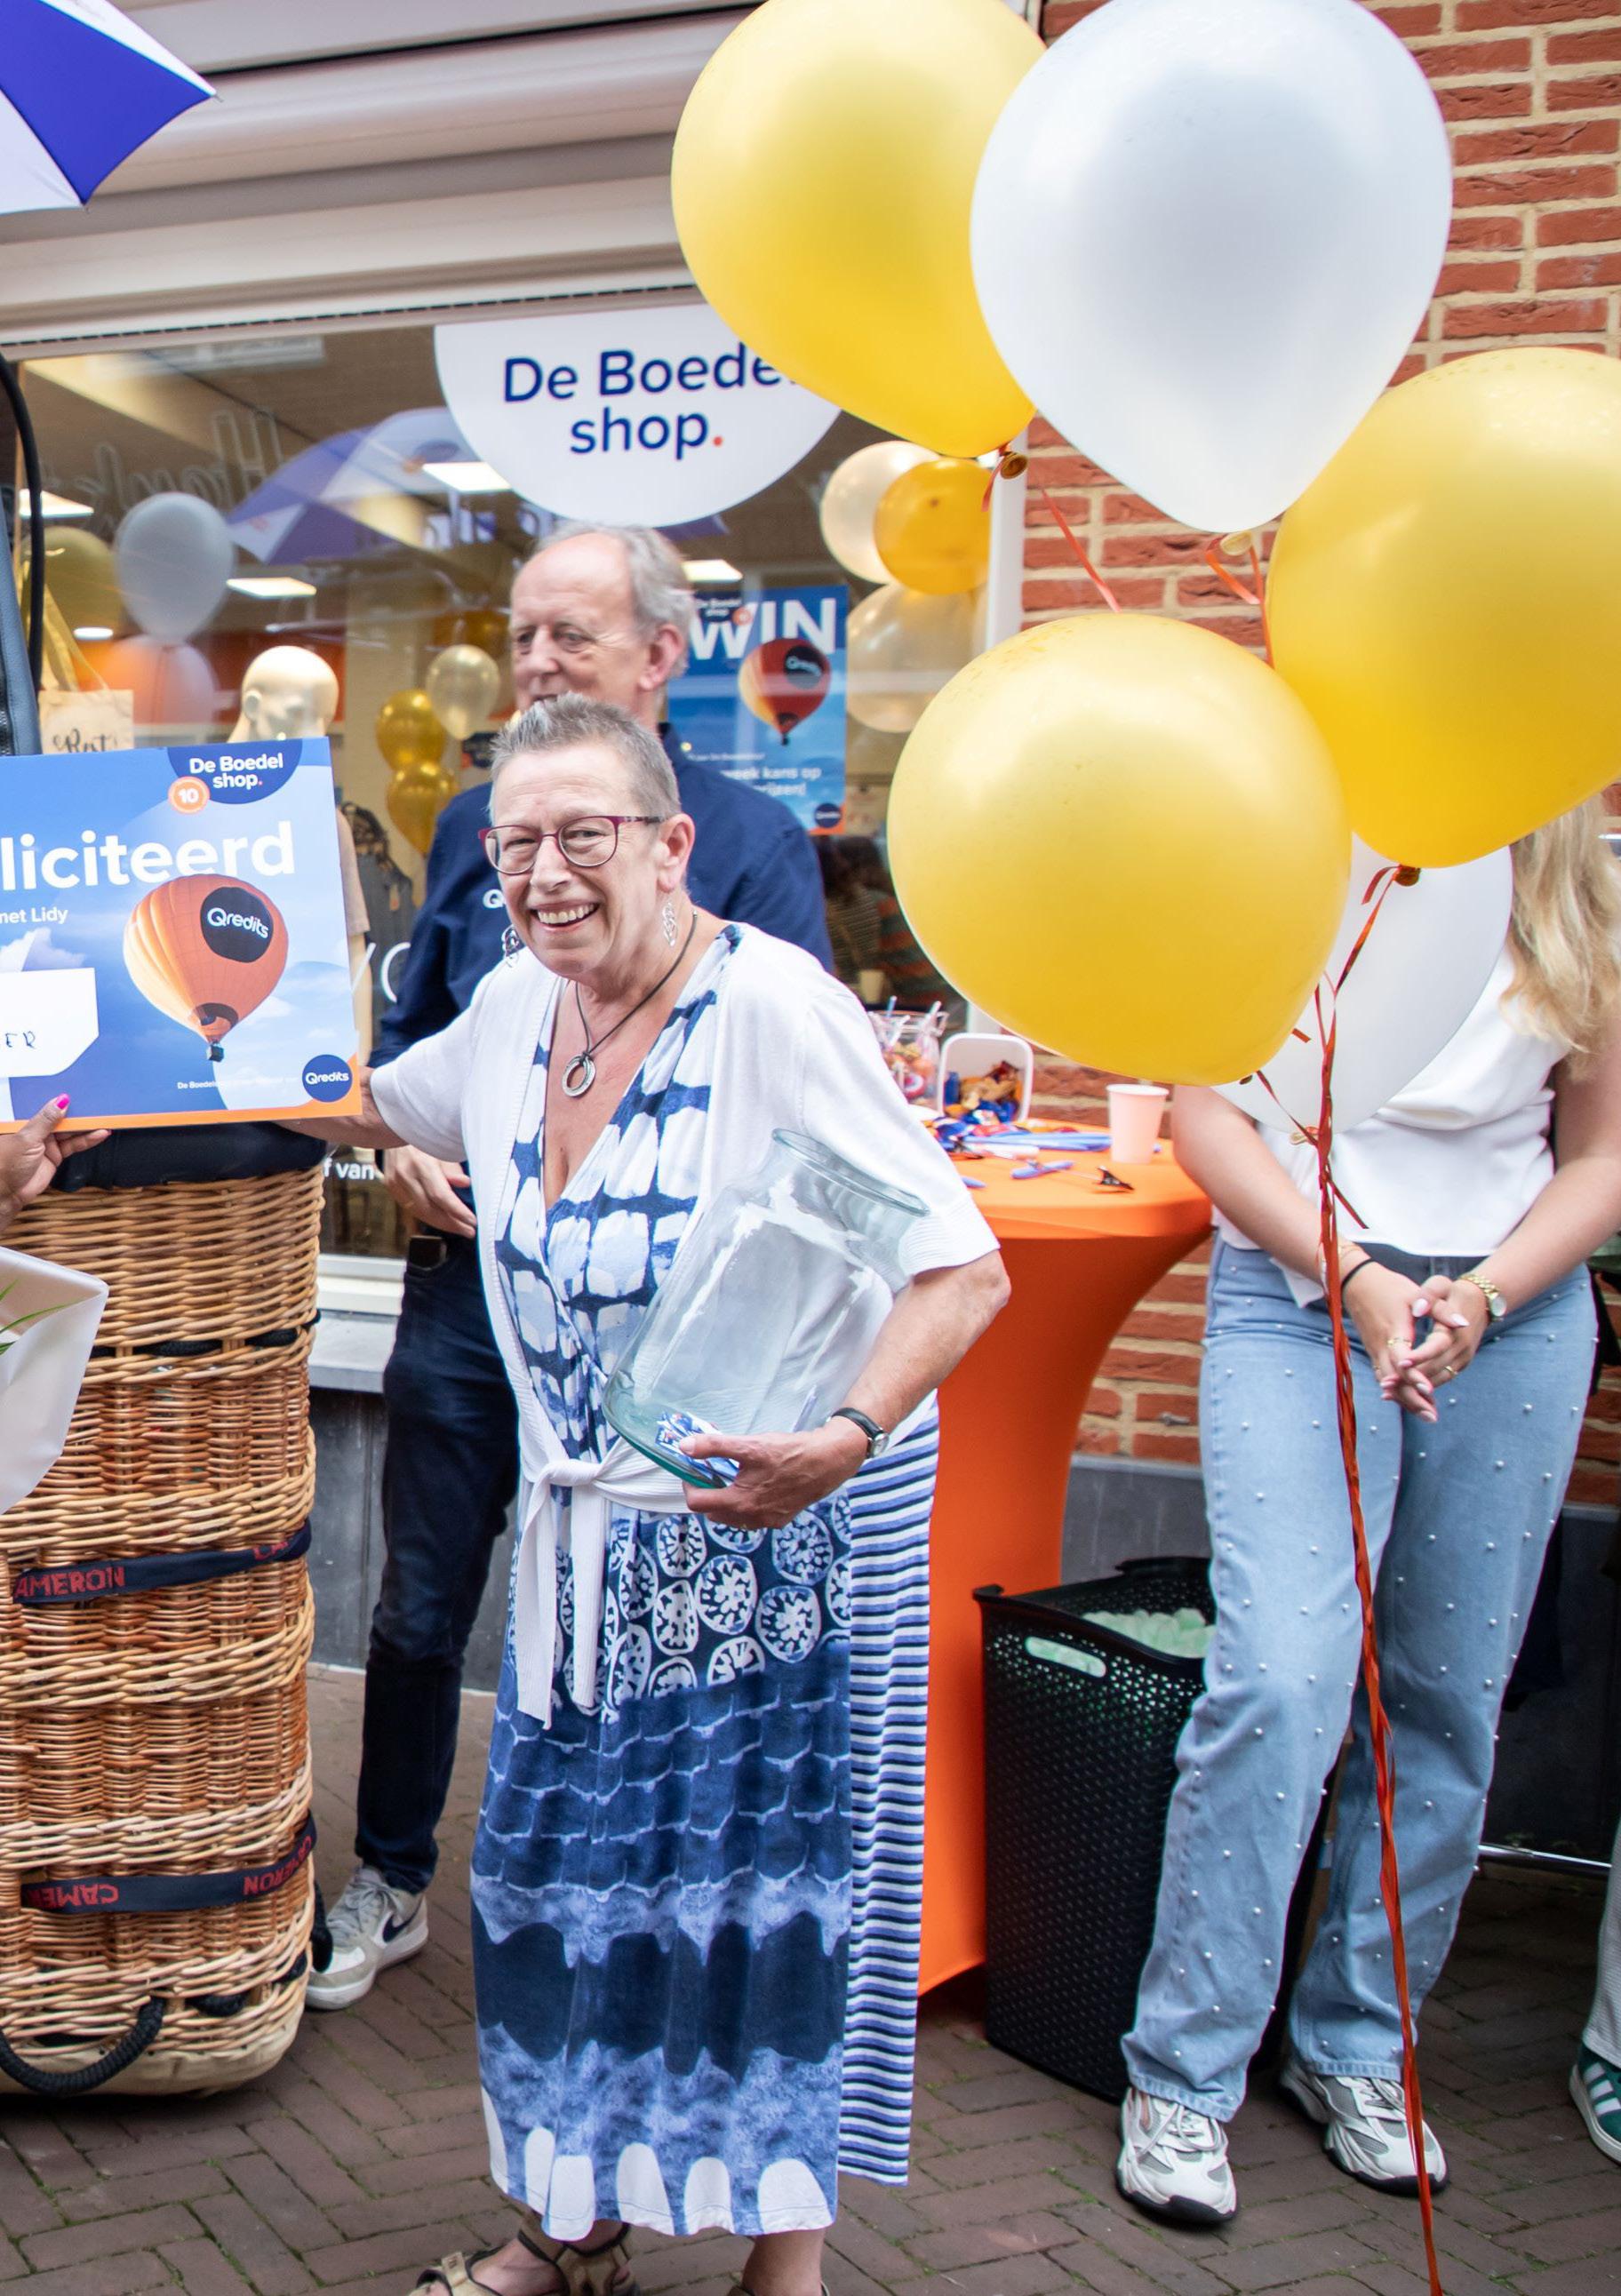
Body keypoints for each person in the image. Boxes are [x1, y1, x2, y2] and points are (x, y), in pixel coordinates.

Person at [291, 693, 1006, 2296]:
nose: (543, 873)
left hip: (747, 1566)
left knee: (750, 1920)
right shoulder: (513, 1012)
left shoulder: (775, 1012)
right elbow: (356, 1099)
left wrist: (845, 1436)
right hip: (580, 1570)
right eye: (514, 844)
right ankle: (573, 2229)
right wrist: (161, 1053)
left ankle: (782, 2267)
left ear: (672, 846)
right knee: (555, 1903)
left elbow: (960, 1270)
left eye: (582, 836)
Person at [310, 526, 835, 2012]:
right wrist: (405, 1154)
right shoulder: (471, 822)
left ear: (661, 656)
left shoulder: (747, 841)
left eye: (572, 636)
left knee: (642, 1617)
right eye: (524, 633)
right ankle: (391, 1877)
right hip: (465, 1296)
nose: (536, 662)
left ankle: (627, 1908)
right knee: (417, 1605)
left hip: (653, 1333)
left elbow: (787, 1108)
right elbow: (415, 1052)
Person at [1115, 801, 1621, 2228]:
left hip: (1510, 1314)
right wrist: (1359, 1277)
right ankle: (1184, 2070)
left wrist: (1488, 1295)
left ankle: (1355, 2047)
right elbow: (1207, 1115)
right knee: (1281, 1680)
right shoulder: (1285, 848)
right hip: (1301, 1296)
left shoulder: (1578, 883)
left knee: (1446, 1699)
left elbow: (1600, 1158)